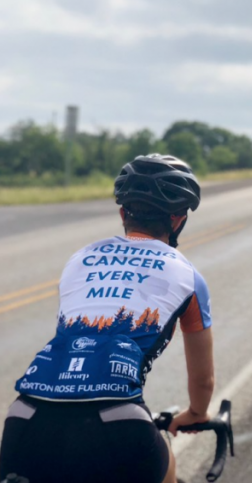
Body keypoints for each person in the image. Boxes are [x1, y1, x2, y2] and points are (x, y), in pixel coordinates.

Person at [0, 154, 215, 483]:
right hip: (118, 423)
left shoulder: (79, 259)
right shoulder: (188, 275)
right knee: (167, 465)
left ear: (122, 214)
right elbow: (203, 381)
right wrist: (196, 413)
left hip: (25, 418)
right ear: (178, 220)